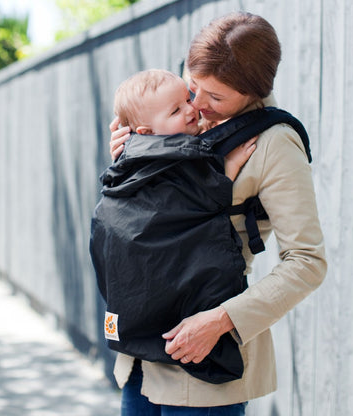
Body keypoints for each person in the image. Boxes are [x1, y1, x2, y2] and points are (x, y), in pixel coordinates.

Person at [109, 11, 327, 416]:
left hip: (204, 362)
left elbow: (307, 262)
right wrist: (129, 161)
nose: (197, 106)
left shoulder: (273, 144)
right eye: (193, 87)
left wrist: (221, 321)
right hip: (140, 354)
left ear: (253, 92)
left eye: (216, 97)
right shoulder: (171, 115)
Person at [113, 68, 257, 181]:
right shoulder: (164, 161)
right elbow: (197, 196)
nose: (191, 108)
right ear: (148, 133)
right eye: (176, 111)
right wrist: (232, 166)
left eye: (188, 100)